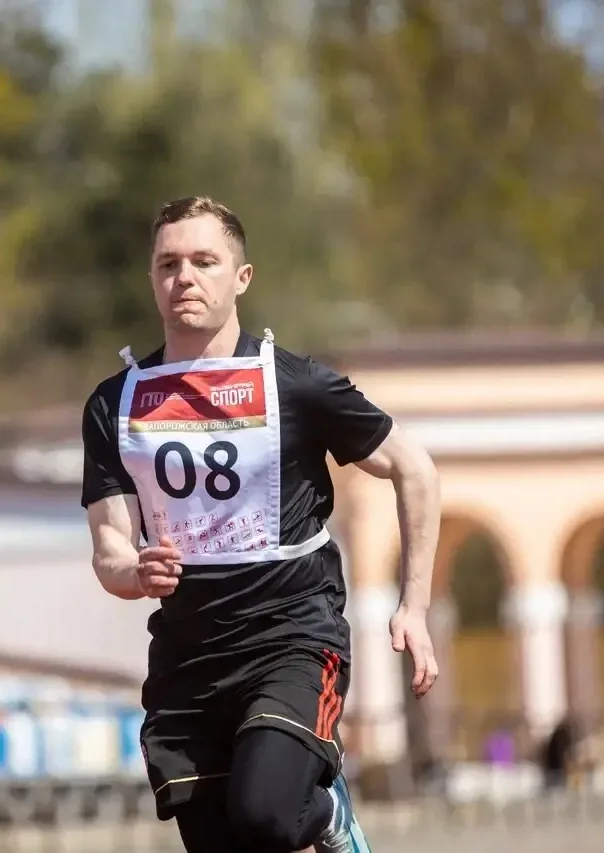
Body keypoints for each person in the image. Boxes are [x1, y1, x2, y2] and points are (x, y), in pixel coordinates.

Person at [80, 196, 442, 853]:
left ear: (241, 277)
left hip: (291, 637)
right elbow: (110, 547)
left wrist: (413, 606)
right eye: (168, 264)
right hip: (190, 655)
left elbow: (413, 468)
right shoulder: (116, 403)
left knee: (267, 812)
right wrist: (135, 571)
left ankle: (327, 814)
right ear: (152, 279)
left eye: (204, 261)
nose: (184, 278)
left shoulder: (295, 385)